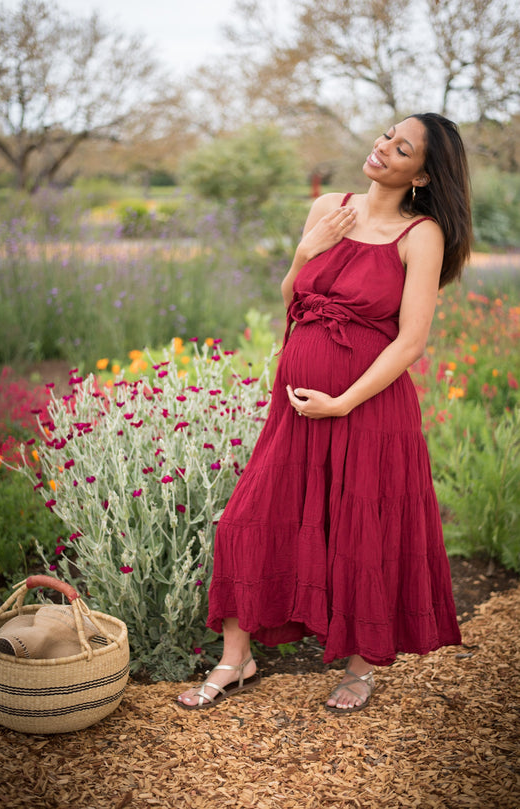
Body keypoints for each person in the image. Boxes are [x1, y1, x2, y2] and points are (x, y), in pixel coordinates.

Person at [177, 112, 472, 713]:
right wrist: (305, 251)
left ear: (422, 173)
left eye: (402, 148)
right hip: (295, 411)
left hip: (367, 410)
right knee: (247, 518)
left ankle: (361, 668)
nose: (384, 147)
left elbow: (410, 341)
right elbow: (294, 301)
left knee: (360, 533)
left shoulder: (421, 235)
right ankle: (237, 659)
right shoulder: (328, 210)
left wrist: (342, 401)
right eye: (388, 134)